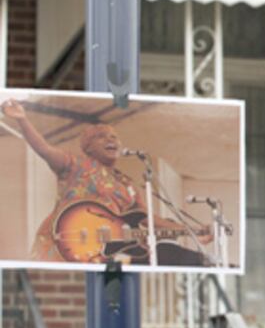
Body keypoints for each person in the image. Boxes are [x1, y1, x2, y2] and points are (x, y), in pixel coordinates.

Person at [1, 98, 210, 266]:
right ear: (88, 147)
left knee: (175, 254)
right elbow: (44, 150)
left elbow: (147, 219)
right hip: (67, 242)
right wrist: (22, 120)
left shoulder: (125, 183)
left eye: (114, 137)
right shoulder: (75, 165)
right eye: (102, 136)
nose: (112, 140)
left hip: (106, 252)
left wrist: (192, 231)